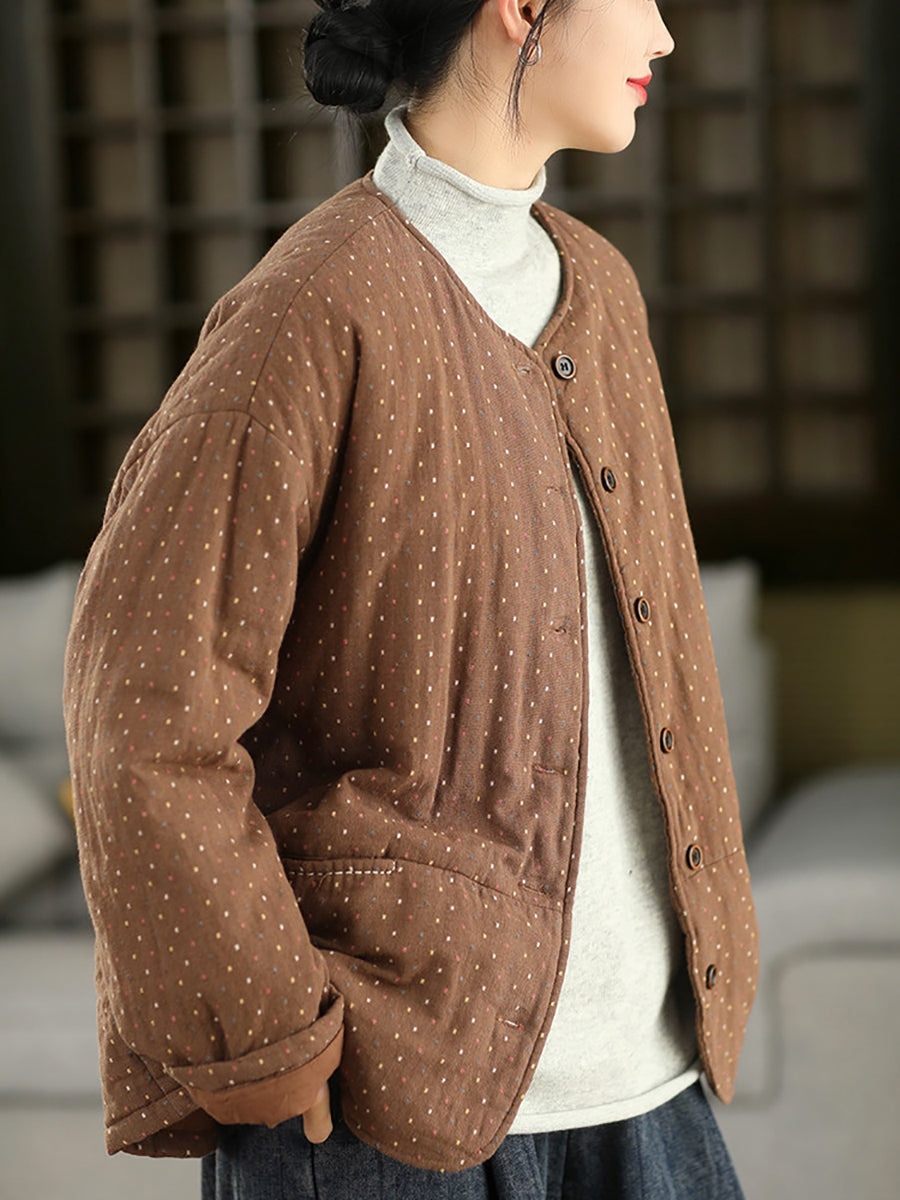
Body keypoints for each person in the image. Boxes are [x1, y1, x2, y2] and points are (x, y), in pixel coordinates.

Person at [63, 1, 760, 1197]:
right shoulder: (311, 307)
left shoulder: (600, 289)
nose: (662, 35)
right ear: (521, 9)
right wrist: (263, 1031)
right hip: (388, 1113)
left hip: (653, 1094)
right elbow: (143, 708)